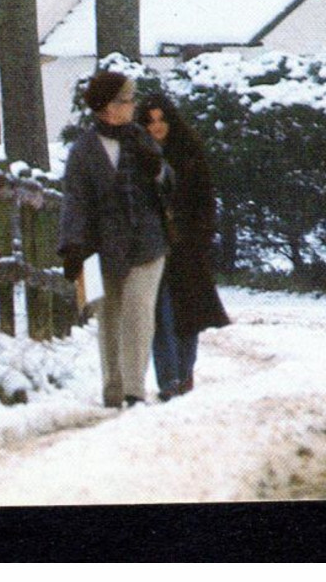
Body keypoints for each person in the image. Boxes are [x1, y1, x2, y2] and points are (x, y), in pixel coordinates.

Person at [59, 70, 173, 408]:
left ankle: (134, 390)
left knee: (139, 314)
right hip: (100, 247)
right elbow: (75, 201)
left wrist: (158, 169)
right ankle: (113, 388)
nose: (133, 106)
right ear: (108, 107)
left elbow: (167, 186)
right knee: (108, 317)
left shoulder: (141, 140)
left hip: (147, 243)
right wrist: (73, 250)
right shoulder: (83, 151)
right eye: (127, 100)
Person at [139, 92, 230, 400]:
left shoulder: (189, 153)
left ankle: (184, 371)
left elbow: (205, 199)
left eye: (161, 120)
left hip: (187, 247)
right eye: (150, 122)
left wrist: (201, 237)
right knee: (159, 314)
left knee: (186, 317)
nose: (157, 127)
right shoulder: (136, 157)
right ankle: (169, 379)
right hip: (152, 245)